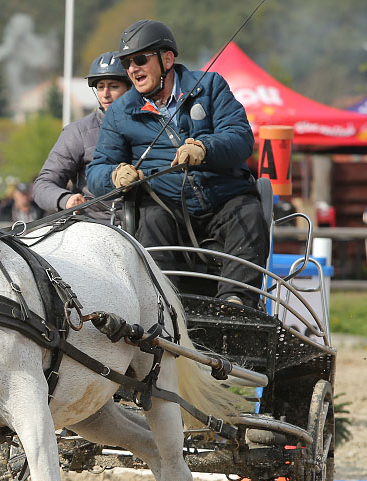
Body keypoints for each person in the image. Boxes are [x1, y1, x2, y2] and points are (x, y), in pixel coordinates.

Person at [85, 19, 268, 307]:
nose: (132, 69)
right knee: (152, 219)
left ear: (167, 59)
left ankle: (236, 304)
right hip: (166, 205)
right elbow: (97, 170)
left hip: (225, 198)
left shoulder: (210, 86)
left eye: (140, 60)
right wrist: (115, 175)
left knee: (248, 213)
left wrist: (205, 148)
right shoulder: (119, 112)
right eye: (127, 63)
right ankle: (163, 305)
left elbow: (241, 138)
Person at [33, 51, 131, 221]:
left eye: (114, 86)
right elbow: (42, 185)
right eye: (100, 87)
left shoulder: (150, 124)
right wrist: (65, 199)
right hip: (93, 224)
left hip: (145, 224)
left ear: (130, 88)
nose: (105, 94)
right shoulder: (77, 132)